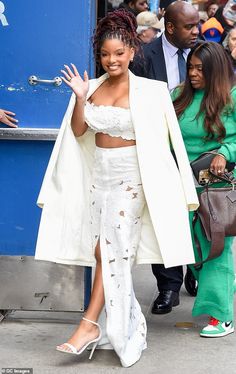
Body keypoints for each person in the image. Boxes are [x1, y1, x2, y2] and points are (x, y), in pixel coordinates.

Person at [35, 8, 199, 368]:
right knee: (104, 251)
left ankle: (89, 325)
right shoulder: (90, 87)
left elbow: (167, 145)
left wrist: (179, 190)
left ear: (133, 53)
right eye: (106, 54)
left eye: (119, 54)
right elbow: (79, 133)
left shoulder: (152, 92)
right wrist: (80, 98)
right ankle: (124, 325)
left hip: (133, 181)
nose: (112, 60)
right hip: (99, 179)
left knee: (109, 250)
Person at [132, 0, 199, 315]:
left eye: (196, 24)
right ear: (169, 27)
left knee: (200, 213)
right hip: (159, 148)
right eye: (189, 26)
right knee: (162, 215)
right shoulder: (144, 57)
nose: (195, 31)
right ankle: (168, 286)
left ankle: (196, 271)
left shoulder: (204, 55)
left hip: (199, 148)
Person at [172, 41, 236, 337]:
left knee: (216, 250)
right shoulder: (178, 96)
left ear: (216, 70)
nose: (194, 74)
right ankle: (222, 287)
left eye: (201, 69)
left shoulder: (232, 98)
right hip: (180, 185)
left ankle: (221, 315)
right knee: (190, 249)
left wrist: (225, 152)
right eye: (191, 67)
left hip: (217, 189)